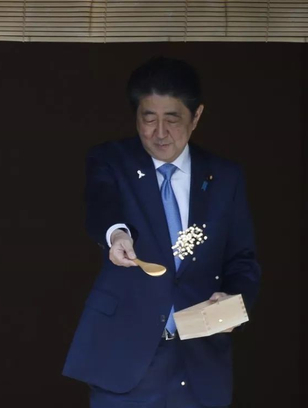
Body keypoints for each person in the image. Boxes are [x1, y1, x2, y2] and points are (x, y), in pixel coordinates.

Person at [62, 57, 261, 407]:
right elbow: (101, 206)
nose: (159, 132)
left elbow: (242, 259)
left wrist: (233, 300)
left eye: (172, 119)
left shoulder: (224, 177)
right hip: (125, 356)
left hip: (200, 359)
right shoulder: (111, 160)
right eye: (148, 118)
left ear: (196, 116)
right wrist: (116, 235)